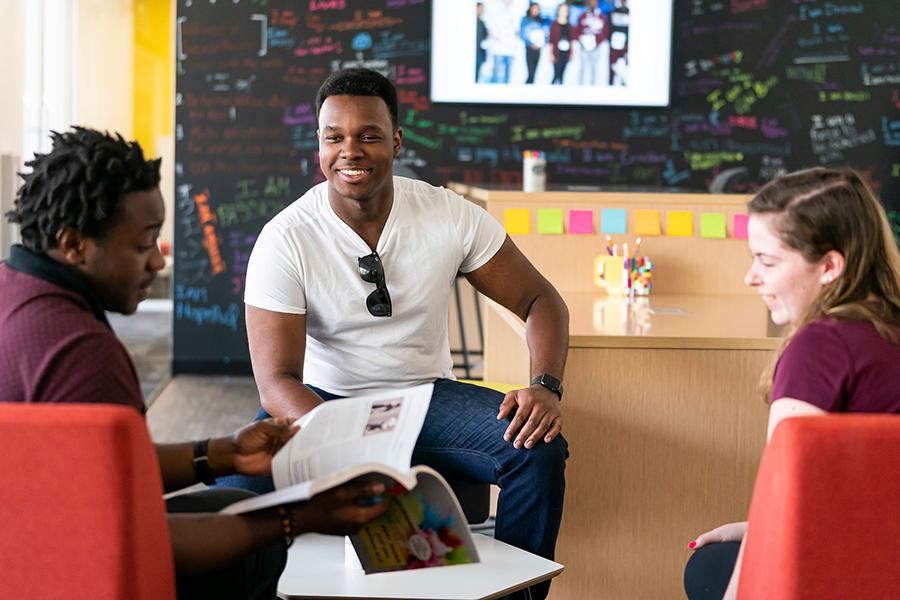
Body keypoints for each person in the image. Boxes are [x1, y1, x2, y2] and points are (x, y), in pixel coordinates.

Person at [0, 127, 390, 600]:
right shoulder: (81, 355)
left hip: (24, 538)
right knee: (258, 547)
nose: (157, 265)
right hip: (57, 568)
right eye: (143, 246)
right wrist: (297, 519)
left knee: (229, 500)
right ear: (74, 244)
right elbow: (137, 543)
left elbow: (98, 469)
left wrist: (221, 453)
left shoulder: (14, 291)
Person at [233, 68, 569, 600]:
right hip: (320, 402)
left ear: (395, 140)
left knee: (537, 449)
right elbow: (276, 382)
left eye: (368, 135)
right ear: (318, 144)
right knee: (232, 498)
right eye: (333, 137)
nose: (350, 151)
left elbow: (540, 300)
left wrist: (545, 385)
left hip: (425, 397)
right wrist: (351, 441)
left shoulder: (448, 214)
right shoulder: (285, 238)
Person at [683, 167, 900, 600]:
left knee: (707, 567)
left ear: (829, 266)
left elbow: (789, 502)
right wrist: (753, 527)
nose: (751, 277)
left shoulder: (819, 350)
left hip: (860, 564)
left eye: (767, 260)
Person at [574, 0, 609, 86]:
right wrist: (583, 40)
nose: (593, 3)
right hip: (584, 47)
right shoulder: (582, 16)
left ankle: (592, 88)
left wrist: (597, 41)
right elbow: (578, 30)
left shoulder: (602, 17)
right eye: (591, 1)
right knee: (582, 68)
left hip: (595, 48)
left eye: (595, 1)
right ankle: (580, 87)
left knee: (594, 68)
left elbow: (606, 32)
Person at [520, 2, 547, 84]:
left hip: (538, 48)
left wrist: (541, 43)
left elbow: (545, 33)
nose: (535, 10)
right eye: (534, 8)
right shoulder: (525, 19)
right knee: (530, 71)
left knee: (534, 71)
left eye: (537, 9)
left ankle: (530, 88)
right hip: (529, 48)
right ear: (530, 9)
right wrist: (530, 44)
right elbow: (522, 33)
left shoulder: (541, 21)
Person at [548, 3, 573, 85]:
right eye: (562, 10)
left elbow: (571, 40)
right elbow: (551, 40)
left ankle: (561, 94)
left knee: (562, 74)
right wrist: (551, 53)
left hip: (566, 51)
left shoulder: (569, 25)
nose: (564, 12)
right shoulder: (554, 24)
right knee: (556, 74)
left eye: (566, 10)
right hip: (556, 52)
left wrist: (572, 53)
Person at [607, 0, 629, 85]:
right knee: (612, 66)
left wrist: (626, 44)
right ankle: (611, 84)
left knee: (624, 67)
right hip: (614, 43)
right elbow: (611, 28)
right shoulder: (614, 12)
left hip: (624, 45)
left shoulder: (629, 12)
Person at [476, 2, 489, 83]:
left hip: (480, 53)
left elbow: (485, 37)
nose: (481, 11)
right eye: (479, 9)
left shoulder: (482, 23)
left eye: (482, 9)